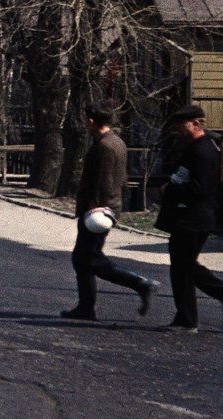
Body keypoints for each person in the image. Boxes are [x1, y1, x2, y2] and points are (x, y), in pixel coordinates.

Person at [61, 104, 157, 322]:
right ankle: (86, 307)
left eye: (86, 120)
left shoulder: (105, 146)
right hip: (104, 208)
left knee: (91, 259)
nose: (85, 124)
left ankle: (141, 283)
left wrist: (100, 208)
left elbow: (104, 180)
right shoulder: (116, 142)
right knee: (80, 259)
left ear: (91, 121)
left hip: (97, 213)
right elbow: (122, 180)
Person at [157, 105, 223, 332]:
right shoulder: (194, 148)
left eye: (180, 123)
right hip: (188, 218)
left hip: (193, 219)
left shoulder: (202, 151)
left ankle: (187, 320)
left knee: (182, 269)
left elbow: (199, 190)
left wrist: (169, 191)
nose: (176, 127)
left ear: (196, 124)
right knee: (185, 267)